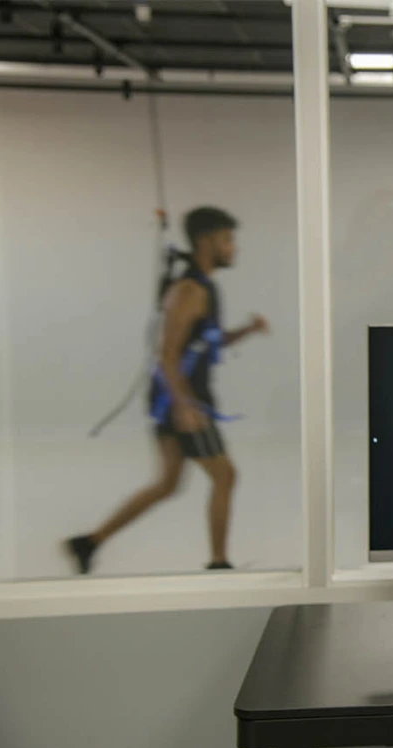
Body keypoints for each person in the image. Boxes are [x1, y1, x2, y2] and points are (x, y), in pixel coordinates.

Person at [65, 207, 269, 574]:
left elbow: (208, 341)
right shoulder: (189, 290)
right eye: (227, 239)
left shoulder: (204, 289)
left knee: (167, 483)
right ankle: (219, 563)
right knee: (225, 476)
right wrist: (183, 405)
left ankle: (89, 542)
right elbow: (167, 356)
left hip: (180, 400)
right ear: (207, 241)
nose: (234, 248)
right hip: (183, 401)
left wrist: (247, 331)